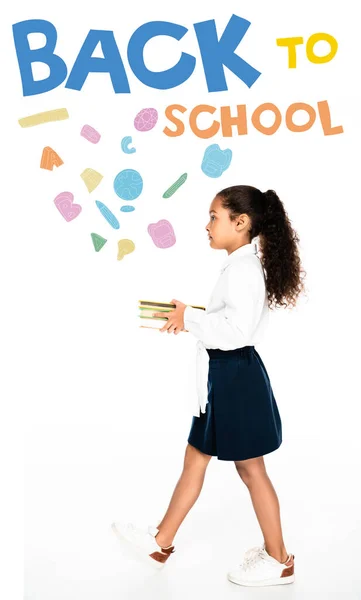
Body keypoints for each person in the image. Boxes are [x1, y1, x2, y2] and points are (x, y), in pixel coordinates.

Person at [111, 184, 306, 586]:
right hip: (223, 377)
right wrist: (191, 316)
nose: (207, 225)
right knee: (196, 457)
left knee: (251, 470)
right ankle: (160, 543)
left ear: (241, 222)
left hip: (235, 376)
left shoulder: (244, 270)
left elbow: (236, 330)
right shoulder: (239, 266)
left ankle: (280, 559)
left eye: (214, 217)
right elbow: (230, 321)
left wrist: (191, 319)